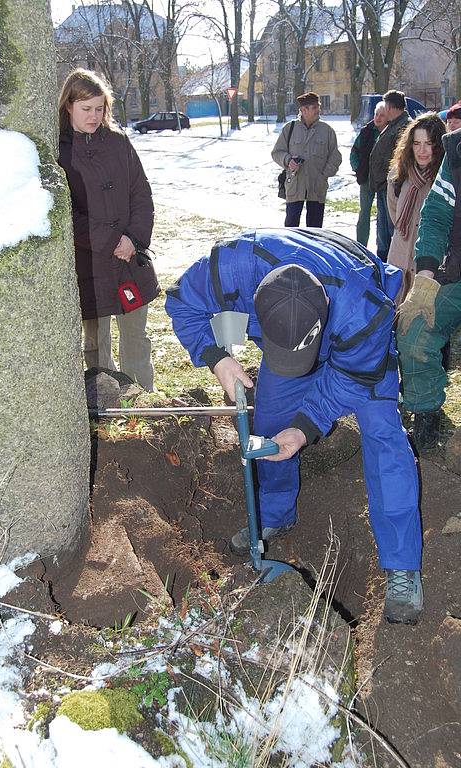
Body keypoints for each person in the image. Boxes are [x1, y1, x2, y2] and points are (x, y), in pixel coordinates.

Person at [166, 228, 423, 624]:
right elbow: (181, 301)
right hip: (293, 314)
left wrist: (306, 426)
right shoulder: (234, 266)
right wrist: (216, 358)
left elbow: (353, 379)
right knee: (269, 426)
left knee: (383, 433)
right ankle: (275, 513)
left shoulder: (364, 310)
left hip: (358, 347)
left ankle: (402, 565)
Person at [58, 68, 155, 390]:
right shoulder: (57, 150)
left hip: (130, 261)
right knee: (96, 345)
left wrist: (134, 239)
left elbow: (141, 194)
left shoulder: (118, 142)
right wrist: (113, 240)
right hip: (90, 265)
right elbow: (65, 214)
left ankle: (145, 403)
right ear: (68, 106)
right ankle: (109, 408)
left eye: (100, 108)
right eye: (86, 109)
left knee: (136, 340)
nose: (94, 116)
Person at [396, 125, 461, 450]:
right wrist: (425, 276)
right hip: (457, 272)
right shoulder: (457, 151)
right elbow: (435, 215)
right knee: (413, 330)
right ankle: (425, 425)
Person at [387, 113, 446, 303]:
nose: (422, 150)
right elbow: (394, 213)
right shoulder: (398, 177)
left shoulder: (444, 181)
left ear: (438, 146)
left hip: (428, 265)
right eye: (417, 143)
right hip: (399, 258)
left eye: (428, 143)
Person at [271, 92, 341, 228]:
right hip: (295, 185)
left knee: (315, 230)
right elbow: (276, 152)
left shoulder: (327, 131)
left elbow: (335, 156)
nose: (318, 110)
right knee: (291, 228)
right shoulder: (289, 128)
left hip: (316, 186)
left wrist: (324, 174)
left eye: (318, 107)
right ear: (303, 110)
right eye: (314, 107)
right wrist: (288, 160)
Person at [369, 90, 411, 262]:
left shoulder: (404, 127)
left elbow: (399, 159)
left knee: (391, 230)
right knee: (383, 231)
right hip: (383, 185)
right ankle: (384, 260)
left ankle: (390, 263)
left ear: (390, 106)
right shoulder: (393, 124)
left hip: (393, 187)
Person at [350, 101, 388, 246]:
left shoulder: (391, 132)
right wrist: (357, 168)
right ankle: (360, 246)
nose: (378, 118)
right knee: (364, 213)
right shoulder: (366, 131)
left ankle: (382, 248)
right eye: (376, 114)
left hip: (383, 181)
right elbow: (354, 152)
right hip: (366, 178)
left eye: (382, 115)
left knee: (383, 215)